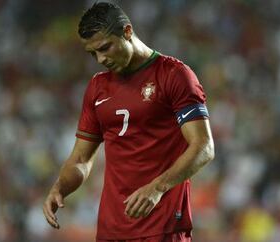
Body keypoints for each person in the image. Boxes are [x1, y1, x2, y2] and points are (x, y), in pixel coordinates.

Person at [43, 2, 215, 242]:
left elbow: (203, 147)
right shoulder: (97, 87)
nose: (100, 58)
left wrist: (157, 187)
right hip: (111, 230)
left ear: (127, 32)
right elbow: (81, 158)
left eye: (105, 47)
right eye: (93, 53)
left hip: (161, 226)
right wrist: (61, 187)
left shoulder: (173, 75)